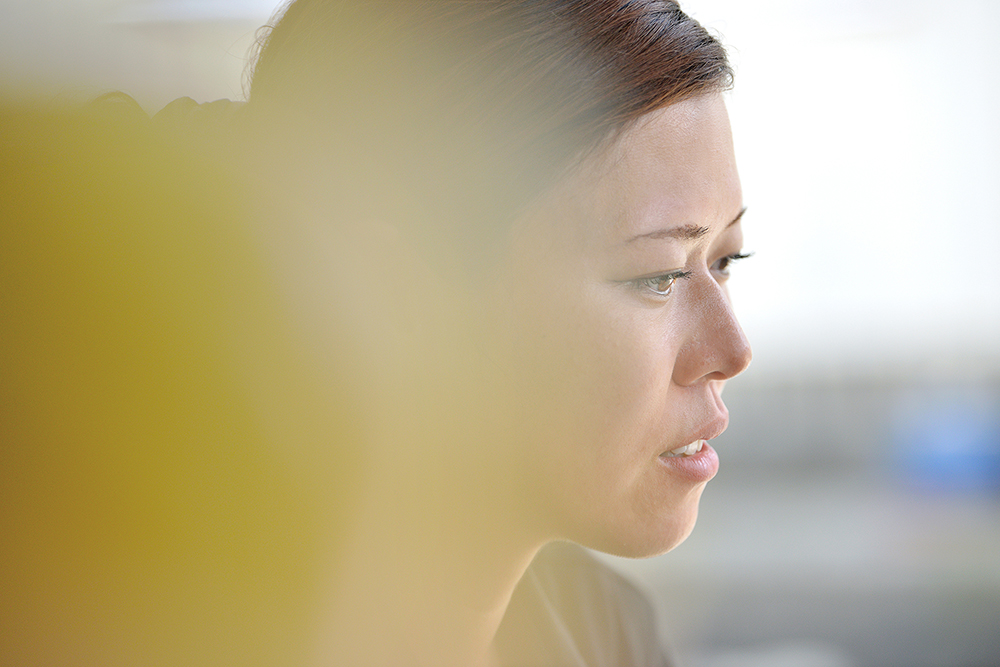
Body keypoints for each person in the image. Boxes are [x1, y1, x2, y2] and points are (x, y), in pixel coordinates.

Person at [0, 1, 751, 666]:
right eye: (657, 275)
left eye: (725, 260)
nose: (732, 350)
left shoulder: (605, 631)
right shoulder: (135, 633)